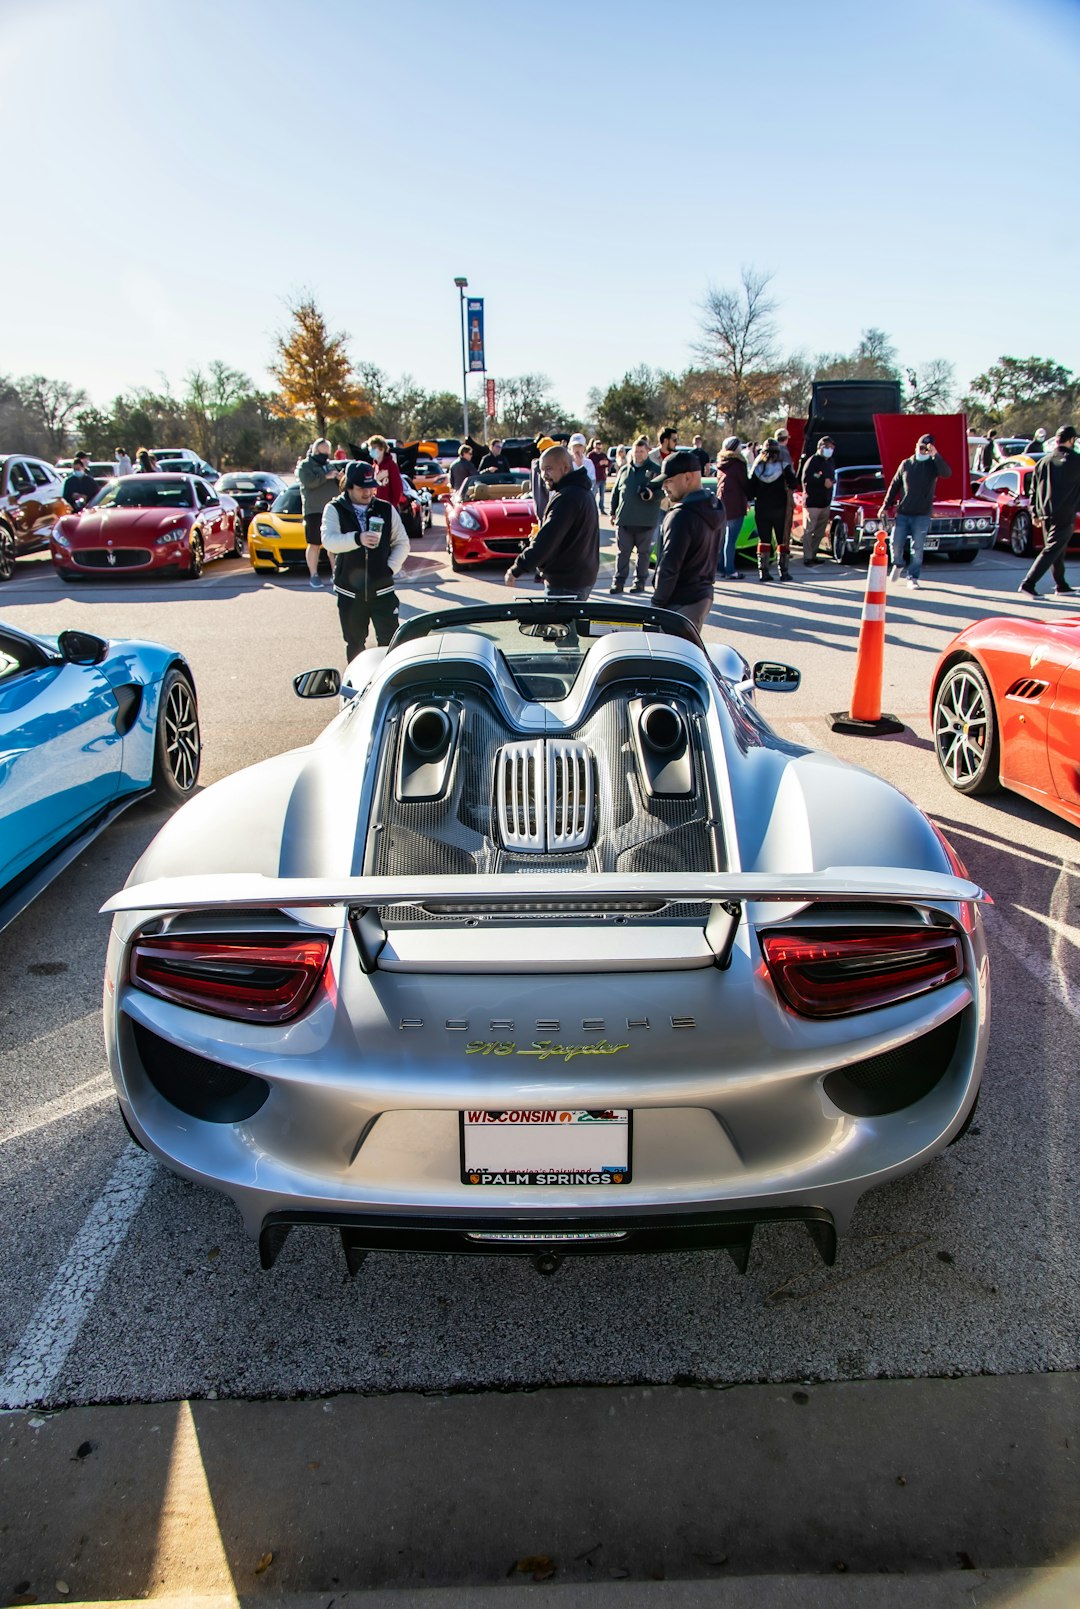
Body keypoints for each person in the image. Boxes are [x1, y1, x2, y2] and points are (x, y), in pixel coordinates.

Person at [321, 460, 409, 658]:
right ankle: (357, 685)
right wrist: (357, 539)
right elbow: (329, 541)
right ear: (349, 486)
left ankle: (389, 685)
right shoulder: (334, 509)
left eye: (372, 487)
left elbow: (402, 542)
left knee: (391, 643)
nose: (368, 493)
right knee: (355, 643)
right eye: (362, 488)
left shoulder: (385, 509)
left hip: (383, 590)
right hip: (350, 593)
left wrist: (389, 568)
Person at [504, 445, 598, 599]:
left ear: (565, 467)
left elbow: (546, 540)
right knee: (567, 623)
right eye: (541, 470)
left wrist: (517, 569)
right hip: (578, 578)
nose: (543, 475)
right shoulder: (581, 491)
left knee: (559, 623)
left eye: (548, 469)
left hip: (566, 583)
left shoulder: (568, 498)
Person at [651, 450, 724, 632]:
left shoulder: (680, 516)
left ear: (688, 477)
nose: (664, 487)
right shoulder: (716, 506)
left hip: (679, 602)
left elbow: (669, 565)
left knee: (669, 657)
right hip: (702, 596)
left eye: (668, 481)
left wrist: (656, 606)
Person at [881, 433, 951, 590]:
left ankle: (913, 577)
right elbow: (894, 485)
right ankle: (898, 564)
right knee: (895, 542)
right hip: (904, 512)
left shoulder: (933, 466)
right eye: (920, 447)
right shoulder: (906, 464)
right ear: (915, 446)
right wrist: (886, 506)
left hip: (922, 514)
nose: (922, 450)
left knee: (917, 547)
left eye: (926, 448)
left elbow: (947, 473)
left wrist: (936, 455)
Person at [1019, 426, 1080, 598]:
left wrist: (1034, 513)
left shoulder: (1043, 462)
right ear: (1071, 440)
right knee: (1053, 549)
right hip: (1065, 512)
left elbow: (1033, 490)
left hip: (1044, 513)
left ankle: (1061, 585)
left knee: (1057, 549)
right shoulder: (1076, 461)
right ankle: (1028, 583)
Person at [608, 437, 662, 593]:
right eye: (636, 451)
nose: (638, 454)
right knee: (622, 553)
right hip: (625, 520)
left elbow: (663, 491)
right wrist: (613, 512)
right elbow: (616, 493)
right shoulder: (625, 470)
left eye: (641, 451)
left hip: (646, 521)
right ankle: (618, 583)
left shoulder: (655, 470)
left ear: (647, 452)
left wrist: (652, 494)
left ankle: (639, 582)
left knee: (643, 554)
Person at [749, 440, 798, 582]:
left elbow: (750, 490)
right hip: (780, 509)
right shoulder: (784, 467)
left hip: (762, 509)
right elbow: (794, 483)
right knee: (782, 540)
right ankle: (783, 572)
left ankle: (763, 573)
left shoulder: (757, 468)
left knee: (764, 540)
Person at [296, 438, 341, 587]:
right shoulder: (305, 466)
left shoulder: (329, 466)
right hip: (313, 510)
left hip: (331, 510)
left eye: (327, 454)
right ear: (315, 451)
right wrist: (325, 477)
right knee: (314, 544)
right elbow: (309, 483)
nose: (324, 457)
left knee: (334, 544)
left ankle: (337, 574)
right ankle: (314, 575)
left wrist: (340, 479)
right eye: (322, 453)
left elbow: (342, 487)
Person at [715, 438, 750, 580]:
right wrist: (750, 496)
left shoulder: (721, 464)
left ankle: (722, 567)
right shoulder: (738, 464)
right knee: (731, 539)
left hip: (722, 504)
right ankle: (730, 570)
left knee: (723, 538)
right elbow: (744, 484)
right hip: (736, 504)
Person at [800, 435, 836, 566]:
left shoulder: (830, 462)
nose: (829, 450)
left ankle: (814, 554)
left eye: (831, 447)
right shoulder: (813, 461)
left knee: (820, 532)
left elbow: (832, 476)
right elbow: (808, 478)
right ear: (819, 447)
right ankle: (807, 557)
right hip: (812, 503)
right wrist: (822, 481)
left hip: (825, 502)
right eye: (826, 447)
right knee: (809, 530)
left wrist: (831, 481)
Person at [366, 435, 404, 507]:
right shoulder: (374, 467)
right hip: (376, 506)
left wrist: (393, 506)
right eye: (370, 448)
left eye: (374, 448)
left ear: (382, 449)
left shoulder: (391, 465)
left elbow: (397, 488)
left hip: (389, 507)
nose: (371, 450)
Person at [587, 439, 610, 513]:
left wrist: (607, 463)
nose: (599, 450)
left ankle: (602, 508)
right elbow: (589, 465)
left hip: (602, 477)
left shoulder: (603, 455)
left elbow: (609, 463)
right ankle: (591, 508)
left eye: (600, 448)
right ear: (594, 447)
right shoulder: (591, 455)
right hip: (595, 478)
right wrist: (599, 464)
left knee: (602, 495)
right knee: (593, 494)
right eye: (597, 448)